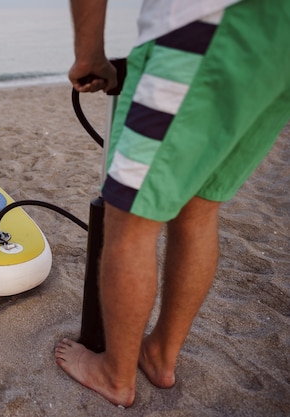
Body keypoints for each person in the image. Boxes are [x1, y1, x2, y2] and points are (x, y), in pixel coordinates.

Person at [55, 0, 290, 408]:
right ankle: (159, 354)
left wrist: (89, 55)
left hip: (207, 23)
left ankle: (115, 374)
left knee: (130, 216)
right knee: (199, 203)